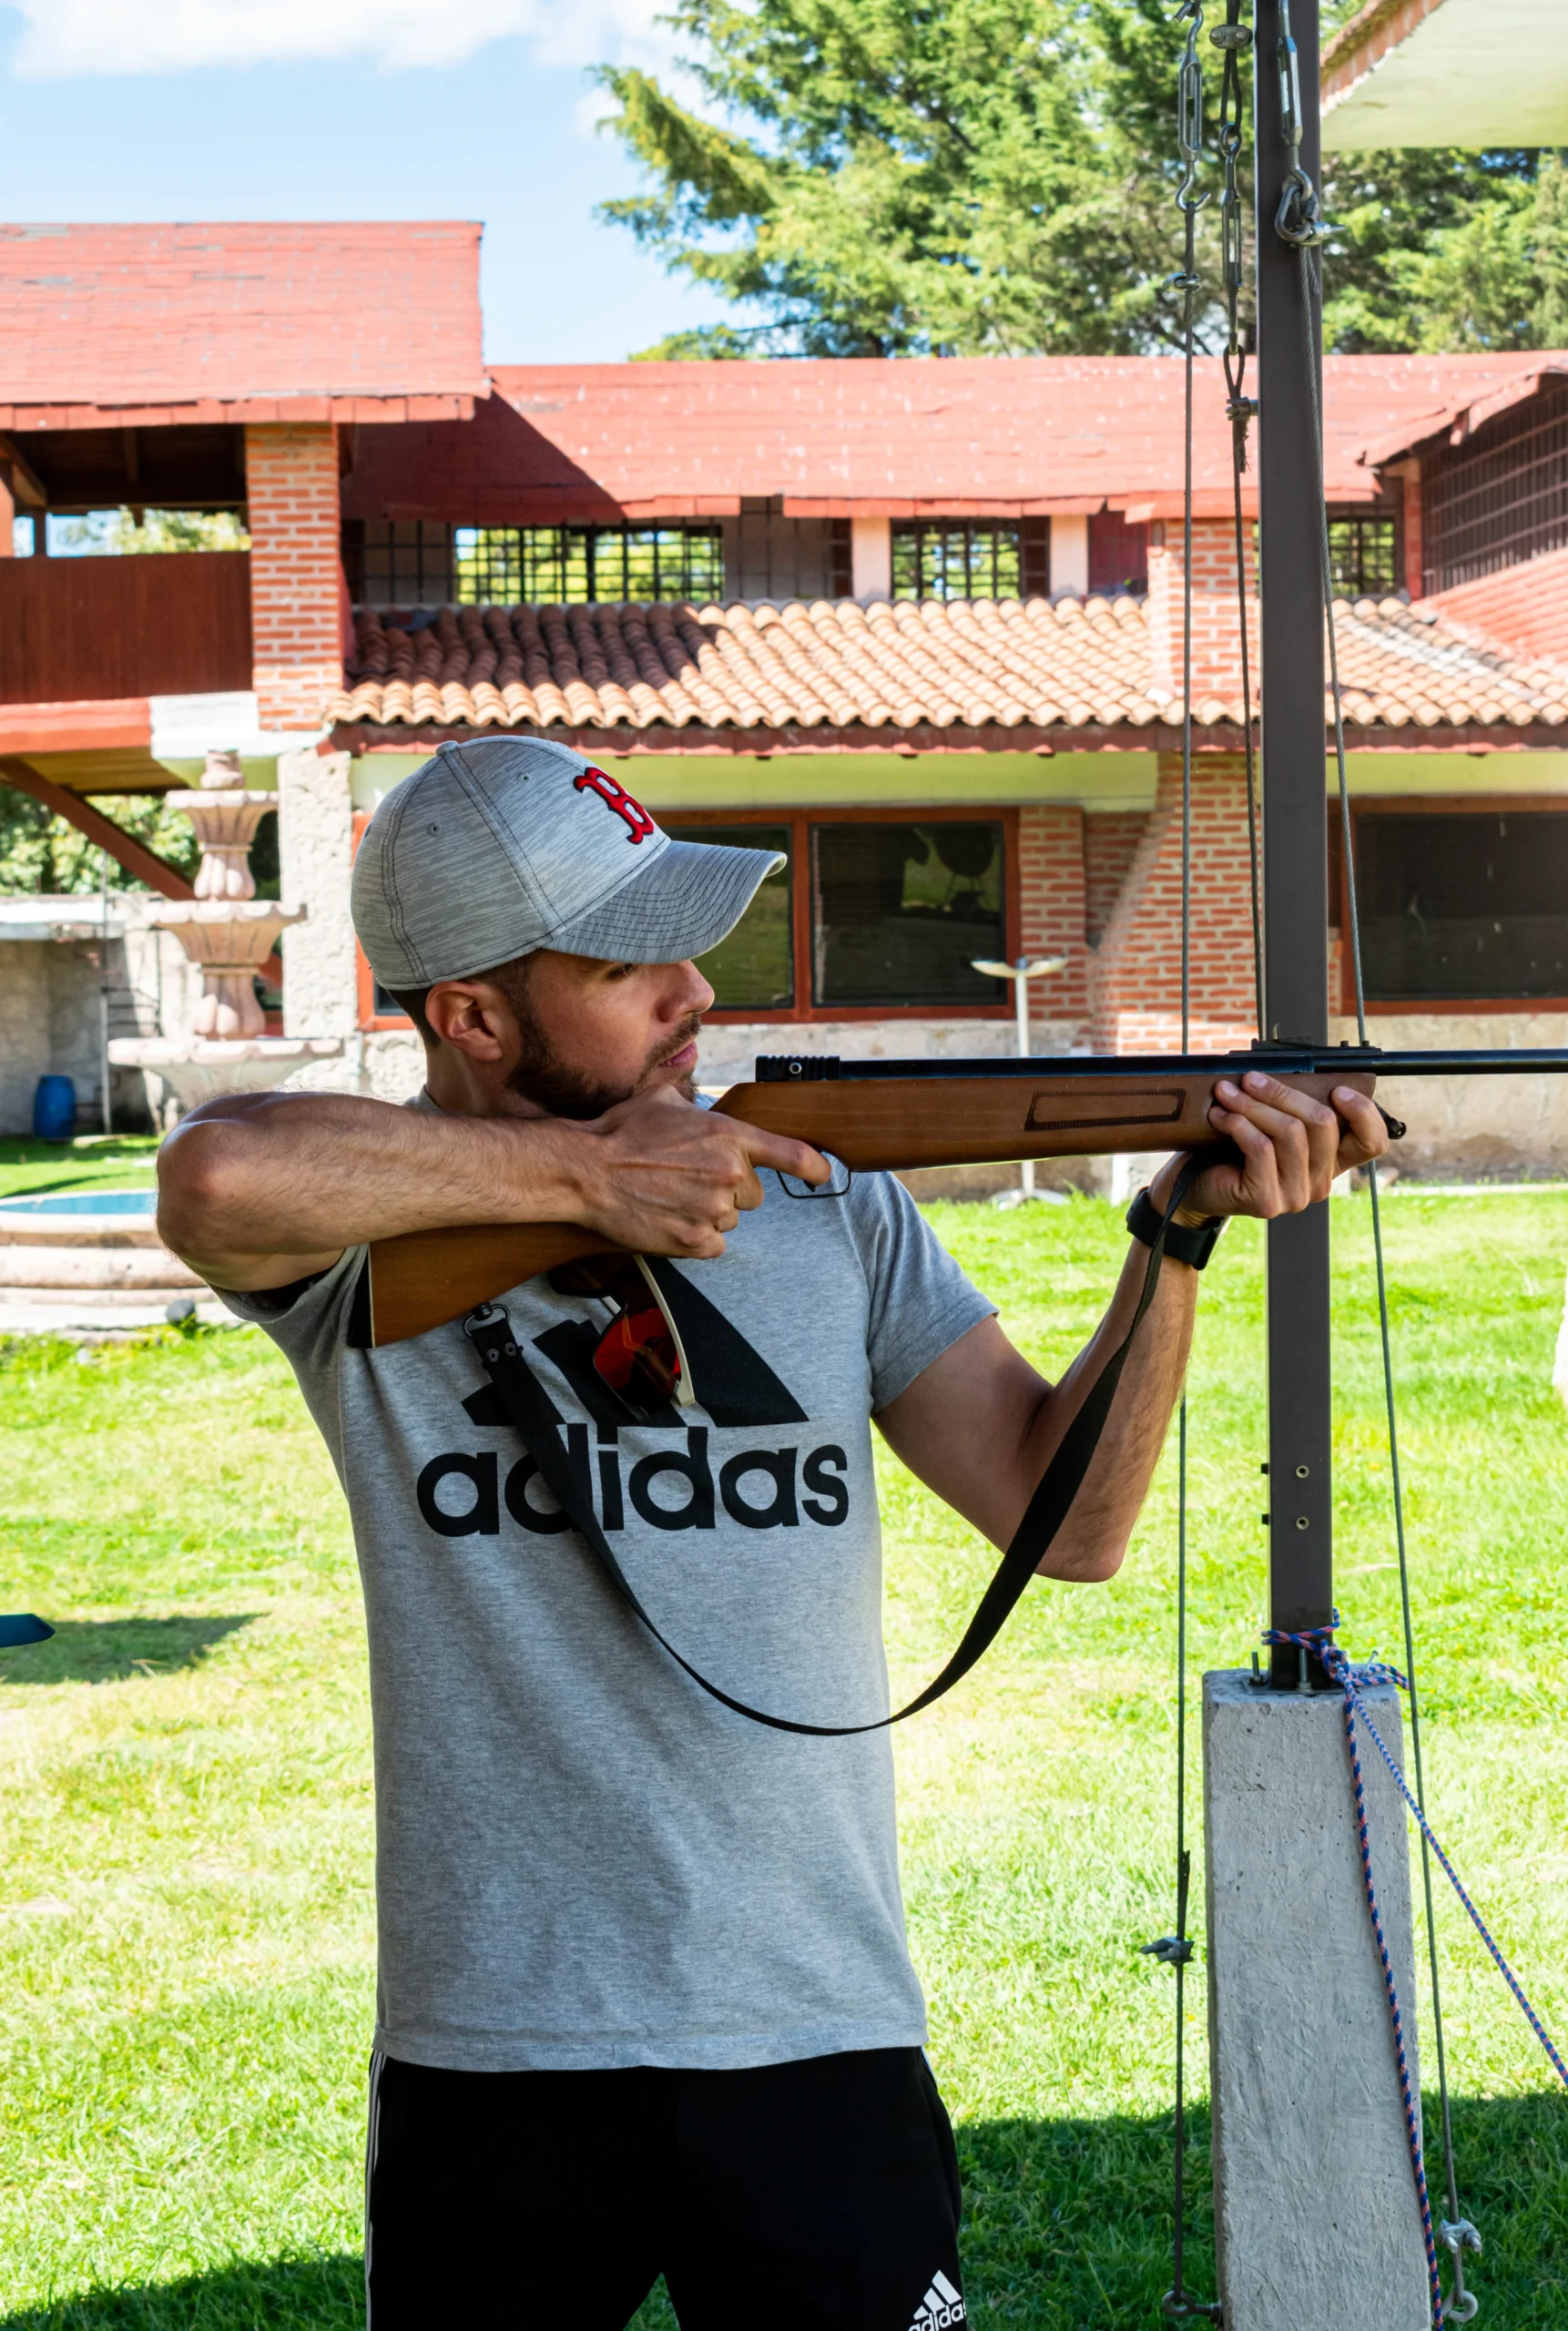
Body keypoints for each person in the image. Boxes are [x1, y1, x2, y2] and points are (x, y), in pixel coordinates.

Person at [158, 736, 1388, 2331]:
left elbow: (1063, 1524)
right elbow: (215, 1172)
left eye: (690, 946)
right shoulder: (362, 1236)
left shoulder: (829, 1206)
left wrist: (1171, 1241)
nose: (695, 996)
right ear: (469, 1015)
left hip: (816, 2017)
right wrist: (586, 1176)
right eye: (630, 962)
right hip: (500, 2041)